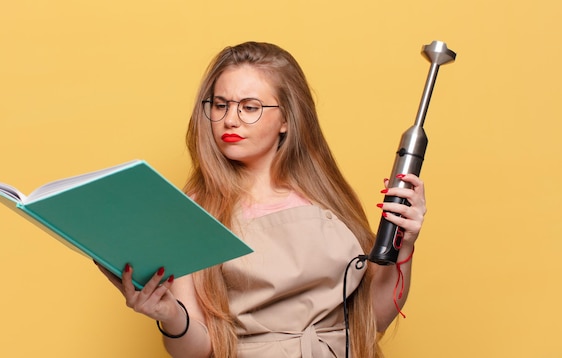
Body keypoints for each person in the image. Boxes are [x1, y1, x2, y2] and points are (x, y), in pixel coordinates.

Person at [98, 41, 426, 358]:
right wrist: (169, 315)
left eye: (250, 107)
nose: (230, 119)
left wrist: (405, 244)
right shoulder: (194, 207)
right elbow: (196, 349)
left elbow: (373, 321)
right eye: (220, 104)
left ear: (287, 118)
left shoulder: (326, 196)